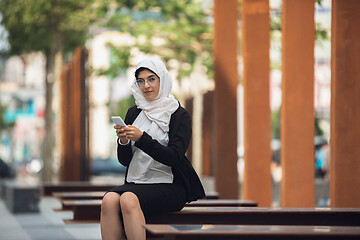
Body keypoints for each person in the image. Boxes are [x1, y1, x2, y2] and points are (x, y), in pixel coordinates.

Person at [100, 57, 205, 240]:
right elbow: (125, 161)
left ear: (162, 80)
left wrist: (141, 139)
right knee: (109, 200)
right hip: (137, 183)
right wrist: (124, 142)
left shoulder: (179, 115)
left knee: (127, 199)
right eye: (141, 81)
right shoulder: (135, 112)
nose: (146, 85)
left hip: (170, 185)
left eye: (151, 79)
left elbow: (174, 157)